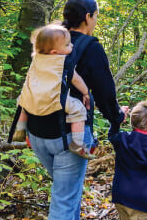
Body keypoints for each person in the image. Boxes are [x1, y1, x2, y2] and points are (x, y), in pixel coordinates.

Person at [27, 0, 127, 220]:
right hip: (68, 134)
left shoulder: (50, 41)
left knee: (65, 199)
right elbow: (105, 92)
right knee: (64, 205)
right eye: (95, 15)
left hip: (37, 132)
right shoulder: (89, 47)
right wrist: (117, 118)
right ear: (87, 17)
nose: (96, 20)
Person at [13, 24, 94, 159]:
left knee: (21, 103)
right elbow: (76, 80)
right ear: (54, 52)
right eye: (68, 45)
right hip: (53, 100)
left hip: (33, 98)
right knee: (78, 109)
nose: (72, 46)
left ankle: (20, 130)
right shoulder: (63, 62)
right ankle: (77, 143)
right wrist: (86, 93)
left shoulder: (36, 58)